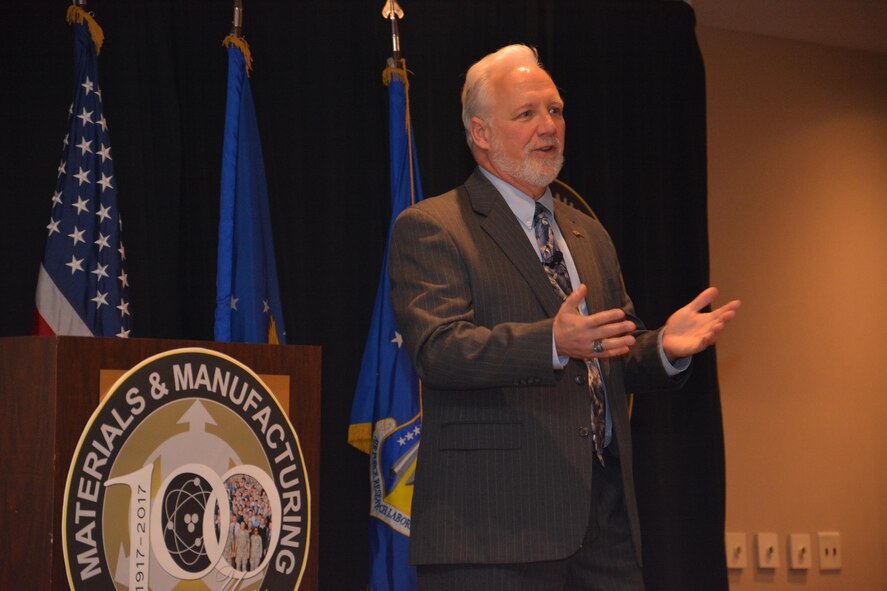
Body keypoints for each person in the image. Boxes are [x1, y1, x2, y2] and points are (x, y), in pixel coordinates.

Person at [388, 44, 740, 591]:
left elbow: (611, 348)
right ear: (480, 133)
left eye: (555, 110)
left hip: (603, 523)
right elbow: (438, 349)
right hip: (493, 532)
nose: (548, 126)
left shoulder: (587, 234)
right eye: (526, 114)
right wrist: (551, 342)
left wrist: (664, 349)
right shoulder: (434, 226)